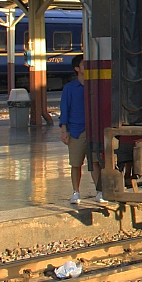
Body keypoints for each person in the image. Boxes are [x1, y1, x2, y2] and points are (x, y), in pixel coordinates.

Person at [60, 54, 105, 204]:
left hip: (93, 130)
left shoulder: (94, 86)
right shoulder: (70, 88)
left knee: (95, 163)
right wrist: (64, 130)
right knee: (76, 164)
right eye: (84, 65)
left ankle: (99, 192)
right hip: (76, 131)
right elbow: (64, 110)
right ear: (77, 69)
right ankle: (76, 192)